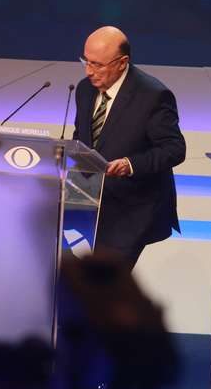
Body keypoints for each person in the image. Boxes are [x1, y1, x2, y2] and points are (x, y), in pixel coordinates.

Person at [72, 26, 186, 268]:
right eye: (85, 61)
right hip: (89, 200)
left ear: (122, 62)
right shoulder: (84, 89)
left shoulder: (153, 95)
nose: (89, 71)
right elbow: (82, 137)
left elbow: (174, 149)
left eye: (98, 65)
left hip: (132, 209)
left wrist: (129, 165)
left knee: (106, 287)